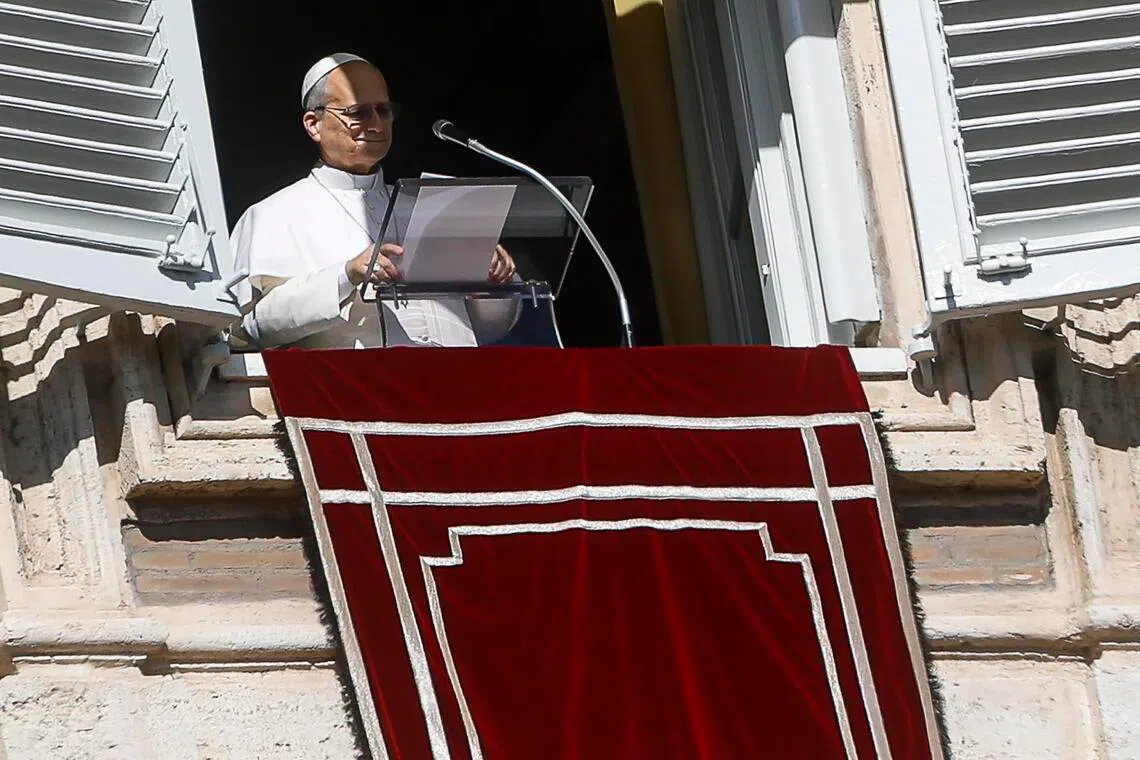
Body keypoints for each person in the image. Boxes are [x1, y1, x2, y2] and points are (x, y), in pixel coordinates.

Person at [231, 53, 519, 349]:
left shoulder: (431, 205)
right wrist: (347, 274)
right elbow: (254, 325)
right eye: (358, 112)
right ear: (313, 124)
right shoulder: (274, 213)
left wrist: (490, 283)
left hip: (456, 381)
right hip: (356, 386)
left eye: (383, 110)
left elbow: (492, 327)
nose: (377, 125)